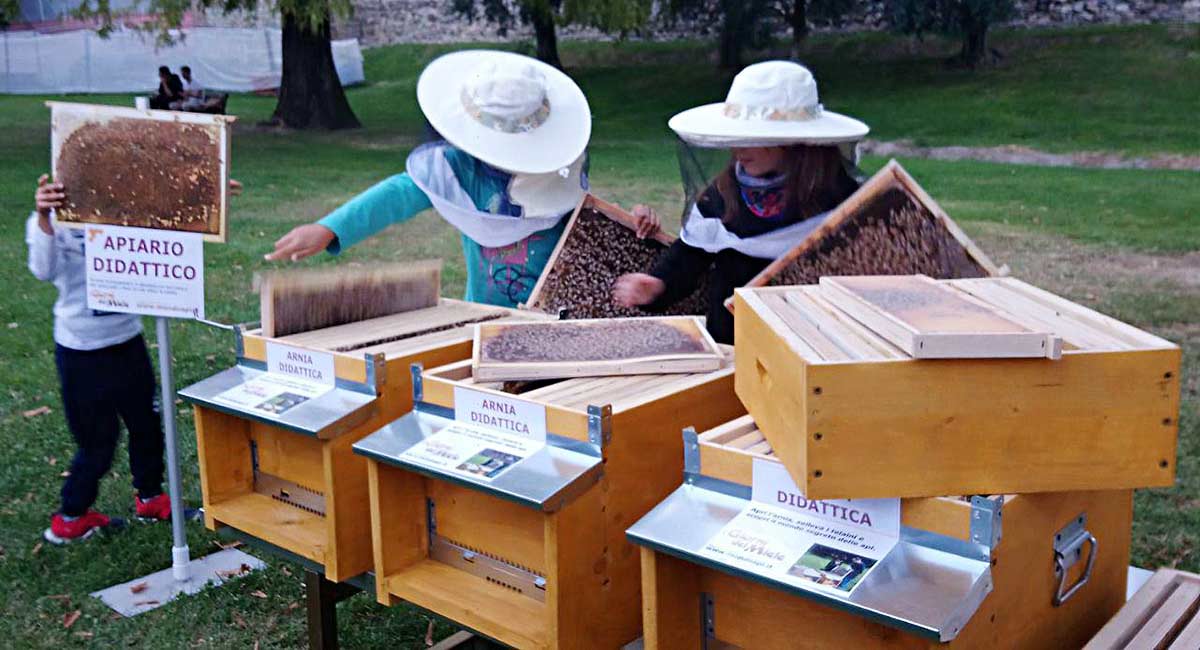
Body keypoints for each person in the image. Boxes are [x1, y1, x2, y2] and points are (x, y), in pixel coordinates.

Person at [266, 49, 658, 307]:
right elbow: (402, 193)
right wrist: (331, 228)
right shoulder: (458, 169)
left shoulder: (560, 166)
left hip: (555, 320)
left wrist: (638, 223)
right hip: (481, 320)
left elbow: (591, 228)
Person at [612, 61, 868, 343]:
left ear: (794, 142)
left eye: (752, 138)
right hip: (732, 341)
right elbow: (690, 255)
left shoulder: (839, 197)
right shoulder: (724, 192)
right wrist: (658, 285)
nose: (738, 148)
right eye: (735, 136)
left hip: (809, 341)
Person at [28, 175, 174, 543]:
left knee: (147, 425)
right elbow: (43, 270)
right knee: (98, 441)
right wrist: (44, 217)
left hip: (127, 340)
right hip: (81, 350)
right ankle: (72, 517)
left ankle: (151, 498)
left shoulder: (126, 210)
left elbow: (170, 235)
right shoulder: (53, 220)